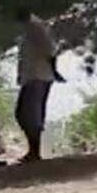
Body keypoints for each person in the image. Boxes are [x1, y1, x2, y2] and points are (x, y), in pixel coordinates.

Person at [15, 9, 65, 163]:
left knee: (30, 114)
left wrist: (54, 70)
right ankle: (33, 150)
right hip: (30, 76)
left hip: (39, 76)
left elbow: (51, 50)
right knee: (23, 114)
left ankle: (34, 152)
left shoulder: (37, 26)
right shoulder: (28, 27)